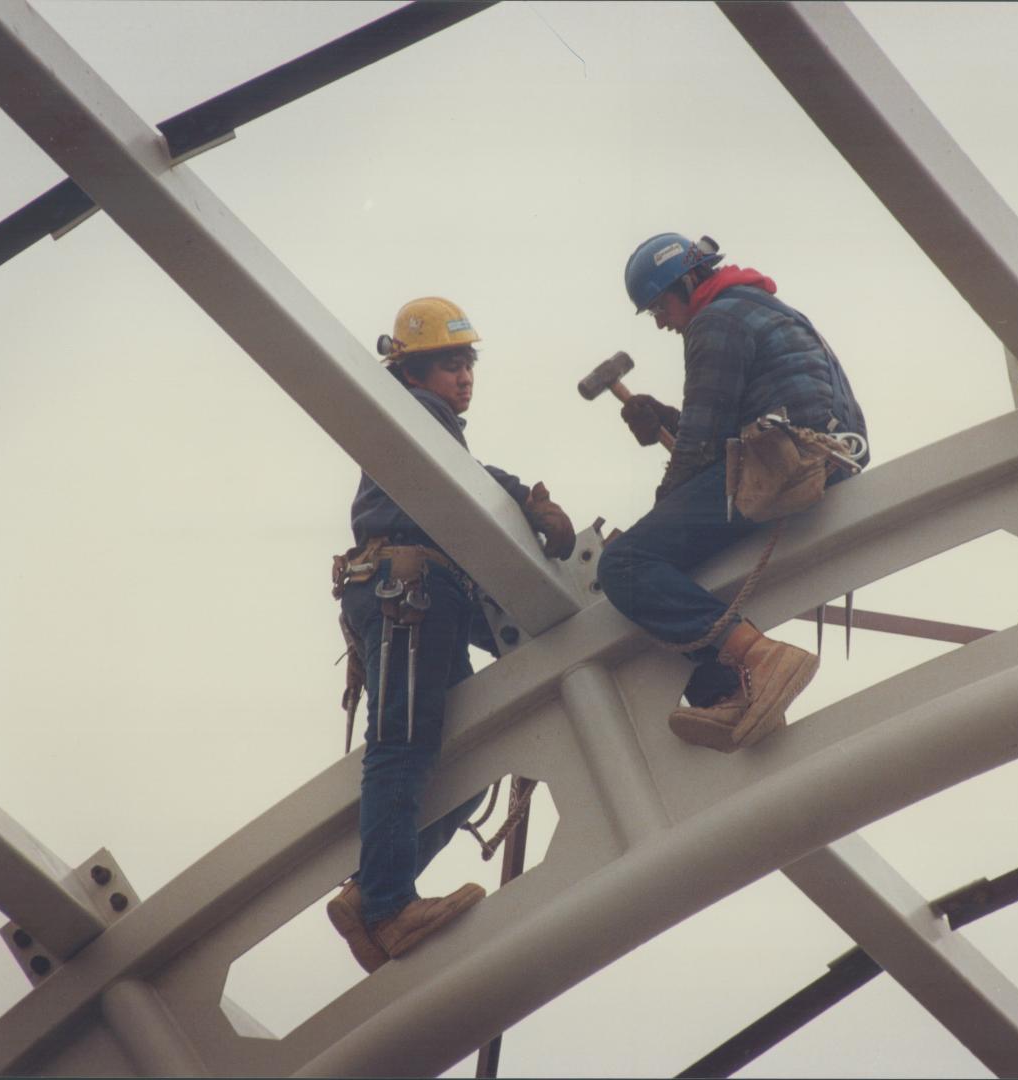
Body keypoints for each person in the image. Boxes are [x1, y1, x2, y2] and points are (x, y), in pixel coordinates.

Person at [326, 297, 576, 973]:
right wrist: (526, 498)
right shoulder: (419, 414)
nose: (463, 377)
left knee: (464, 768)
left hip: (421, 593)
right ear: (413, 371)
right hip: (407, 590)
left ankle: (368, 896)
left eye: (466, 362)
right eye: (447, 363)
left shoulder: (420, 425)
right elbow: (471, 482)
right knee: (402, 746)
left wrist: (522, 495)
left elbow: (469, 478)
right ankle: (385, 904)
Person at [596, 233, 868, 754]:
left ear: (688, 283)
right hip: (818, 454)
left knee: (627, 564)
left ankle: (761, 660)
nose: (660, 321)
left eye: (659, 307)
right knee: (662, 558)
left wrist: (659, 516)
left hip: (788, 461)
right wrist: (667, 420)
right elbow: (722, 425)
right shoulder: (760, 306)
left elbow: (699, 445)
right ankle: (734, 690)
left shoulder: (714, 321)